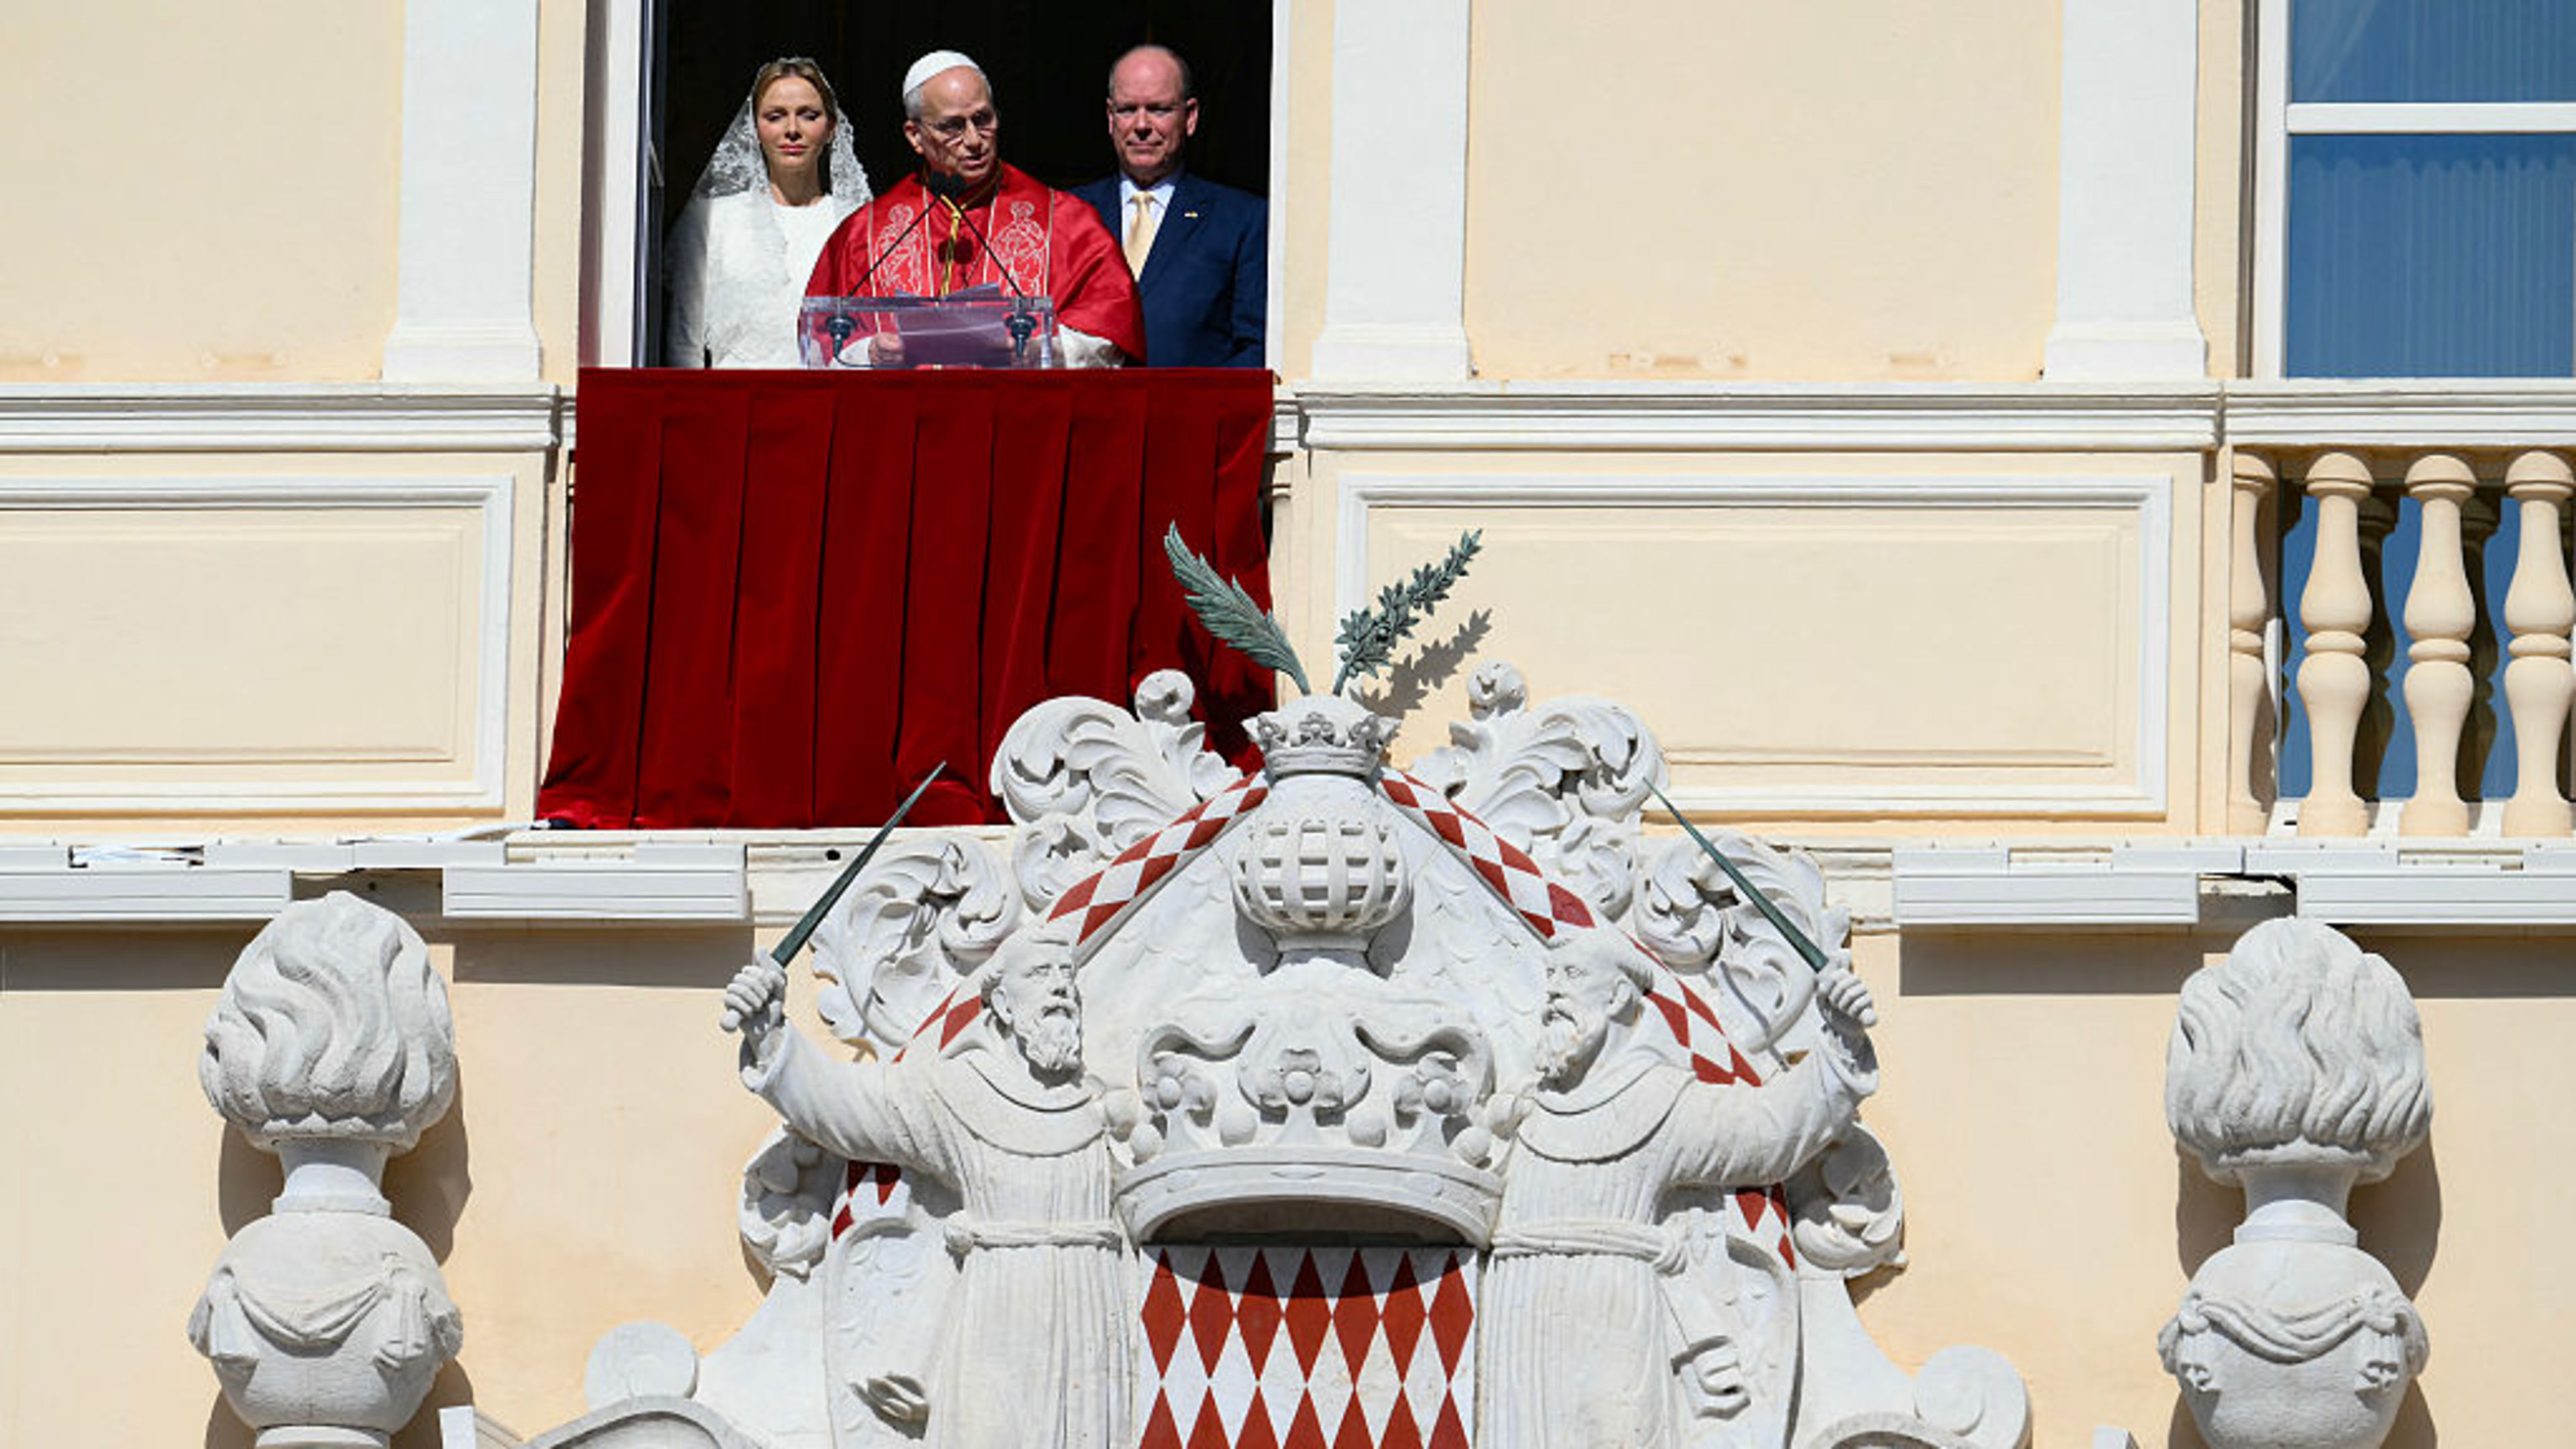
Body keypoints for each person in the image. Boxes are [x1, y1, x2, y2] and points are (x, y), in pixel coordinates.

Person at [722, 928, 1130, 1449]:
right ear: (1002, 1003)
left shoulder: (1099, 1109)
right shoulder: (964, 1090)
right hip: (1002, 1309)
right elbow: (851, 1106)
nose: (1058, 988)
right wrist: (771, 1032)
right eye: (1039, 974)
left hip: (1093, 1316)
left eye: (1065, 976)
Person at [1478, 930, 1881, 1449]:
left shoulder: (1660, 1102)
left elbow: (1768, 1131)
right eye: (1552, 977)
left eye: (1573, 976)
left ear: (1620, 996)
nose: (1554, 992)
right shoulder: (1526, 1110)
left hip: (1611, 1319)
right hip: (1518, 1318)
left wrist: (1840, 1039)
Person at [806, 51, 1144, 368]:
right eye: (953, 126)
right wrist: (871, 352)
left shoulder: (1067, 222)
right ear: (915, 136)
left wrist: (1044, 349)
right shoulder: (866, 233)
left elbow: (1111, 334)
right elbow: (822, 341)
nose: (974, 140)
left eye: (983, 119)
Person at [665, 58, 871, 368]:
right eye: (775, 117)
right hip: (733, 406)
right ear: (755, 129)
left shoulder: (855, 222)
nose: (792, 130)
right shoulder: (711, 219)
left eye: (809, 116)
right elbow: (685, 342)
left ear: (831, 129)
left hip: (826, 406)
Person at [1073, 45, 1267, 368]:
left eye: (1159, 109)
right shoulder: (1071, 212)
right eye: (1127, 110)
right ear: (1110, 118)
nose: (1142, 124)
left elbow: (1254, 350)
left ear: (1190, 117)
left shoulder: (1242, 221)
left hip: (1191, 416)